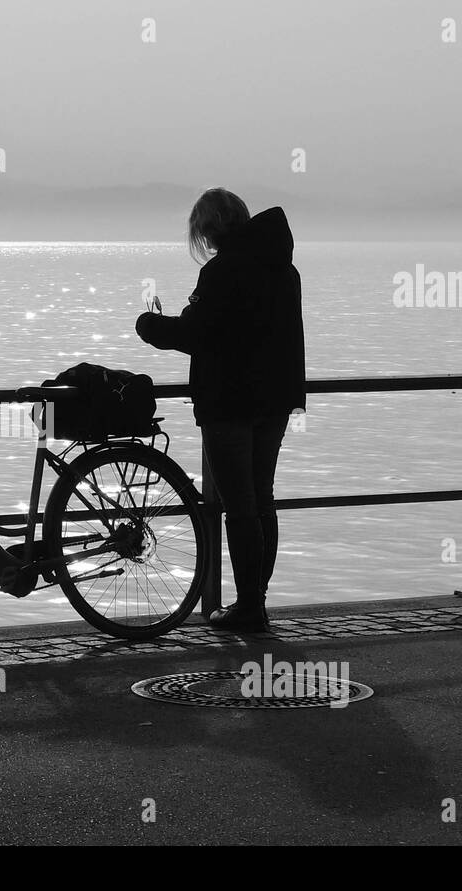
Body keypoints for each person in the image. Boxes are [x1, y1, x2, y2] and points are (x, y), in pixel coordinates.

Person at [135, 188, 305, 632]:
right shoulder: (285, 270)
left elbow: (195, 335)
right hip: (276, 401)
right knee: (261, 499)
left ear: (210, 229)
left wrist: (149, 324)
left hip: (230, 405)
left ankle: (249, 606)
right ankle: (257, 600)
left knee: (240, 507)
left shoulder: (222, 272)